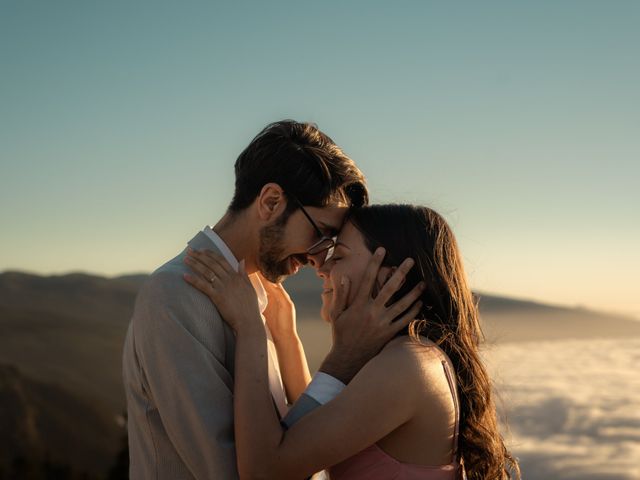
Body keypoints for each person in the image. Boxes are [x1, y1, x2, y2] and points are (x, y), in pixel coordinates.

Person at [184, 204, 521, 480]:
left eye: (340, 255)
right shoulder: (408, 357)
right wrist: (287, 340)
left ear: (389, 276)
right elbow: (314, 434)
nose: (321, 267)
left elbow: (265, 471)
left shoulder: (406, 366)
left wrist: (250, 328)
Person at [122, 120, 372, 479]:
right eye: (320, 233)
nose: (320, 258)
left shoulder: (256, 296)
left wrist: (287, 341)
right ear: (271, 202)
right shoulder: (175, 294)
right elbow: (232, 471)